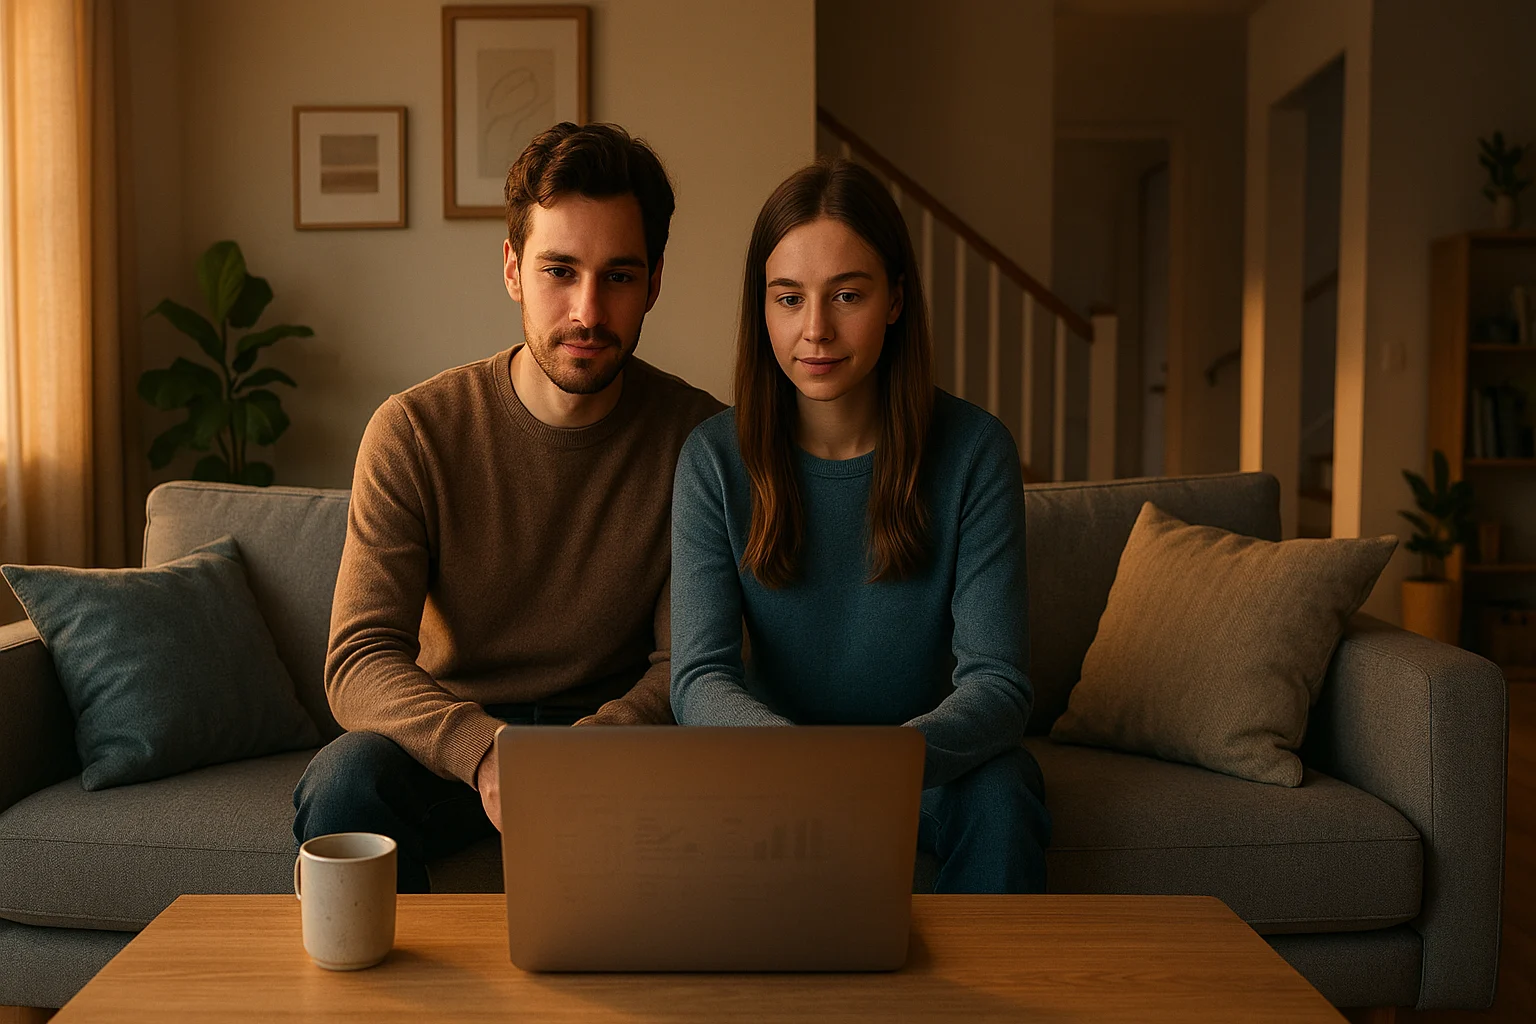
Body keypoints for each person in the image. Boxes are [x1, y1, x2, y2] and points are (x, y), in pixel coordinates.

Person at [293, 122, 723, 892]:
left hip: (620, 745)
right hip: (454, 746)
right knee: (347, 780)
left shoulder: (700, 442)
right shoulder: (416, 431)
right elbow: (359, 660)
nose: (587, 311)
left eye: (618, 276)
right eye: (560, 270)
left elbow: (684, 663)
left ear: (655, 281)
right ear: (513, 270)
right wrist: (486, 752)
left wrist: (590, 749)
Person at [669, 159, 1051, 894]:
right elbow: (698, 678)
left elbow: (999, 686)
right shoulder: (713, 459)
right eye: (789, 299)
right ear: (764, 309)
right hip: (773, 773)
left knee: (1005, 790)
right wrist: (805, 767)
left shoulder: (975, 452)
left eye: (847, 294)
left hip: (929, 772)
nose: (816, 330)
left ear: (896, 299)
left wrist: (878, 766)